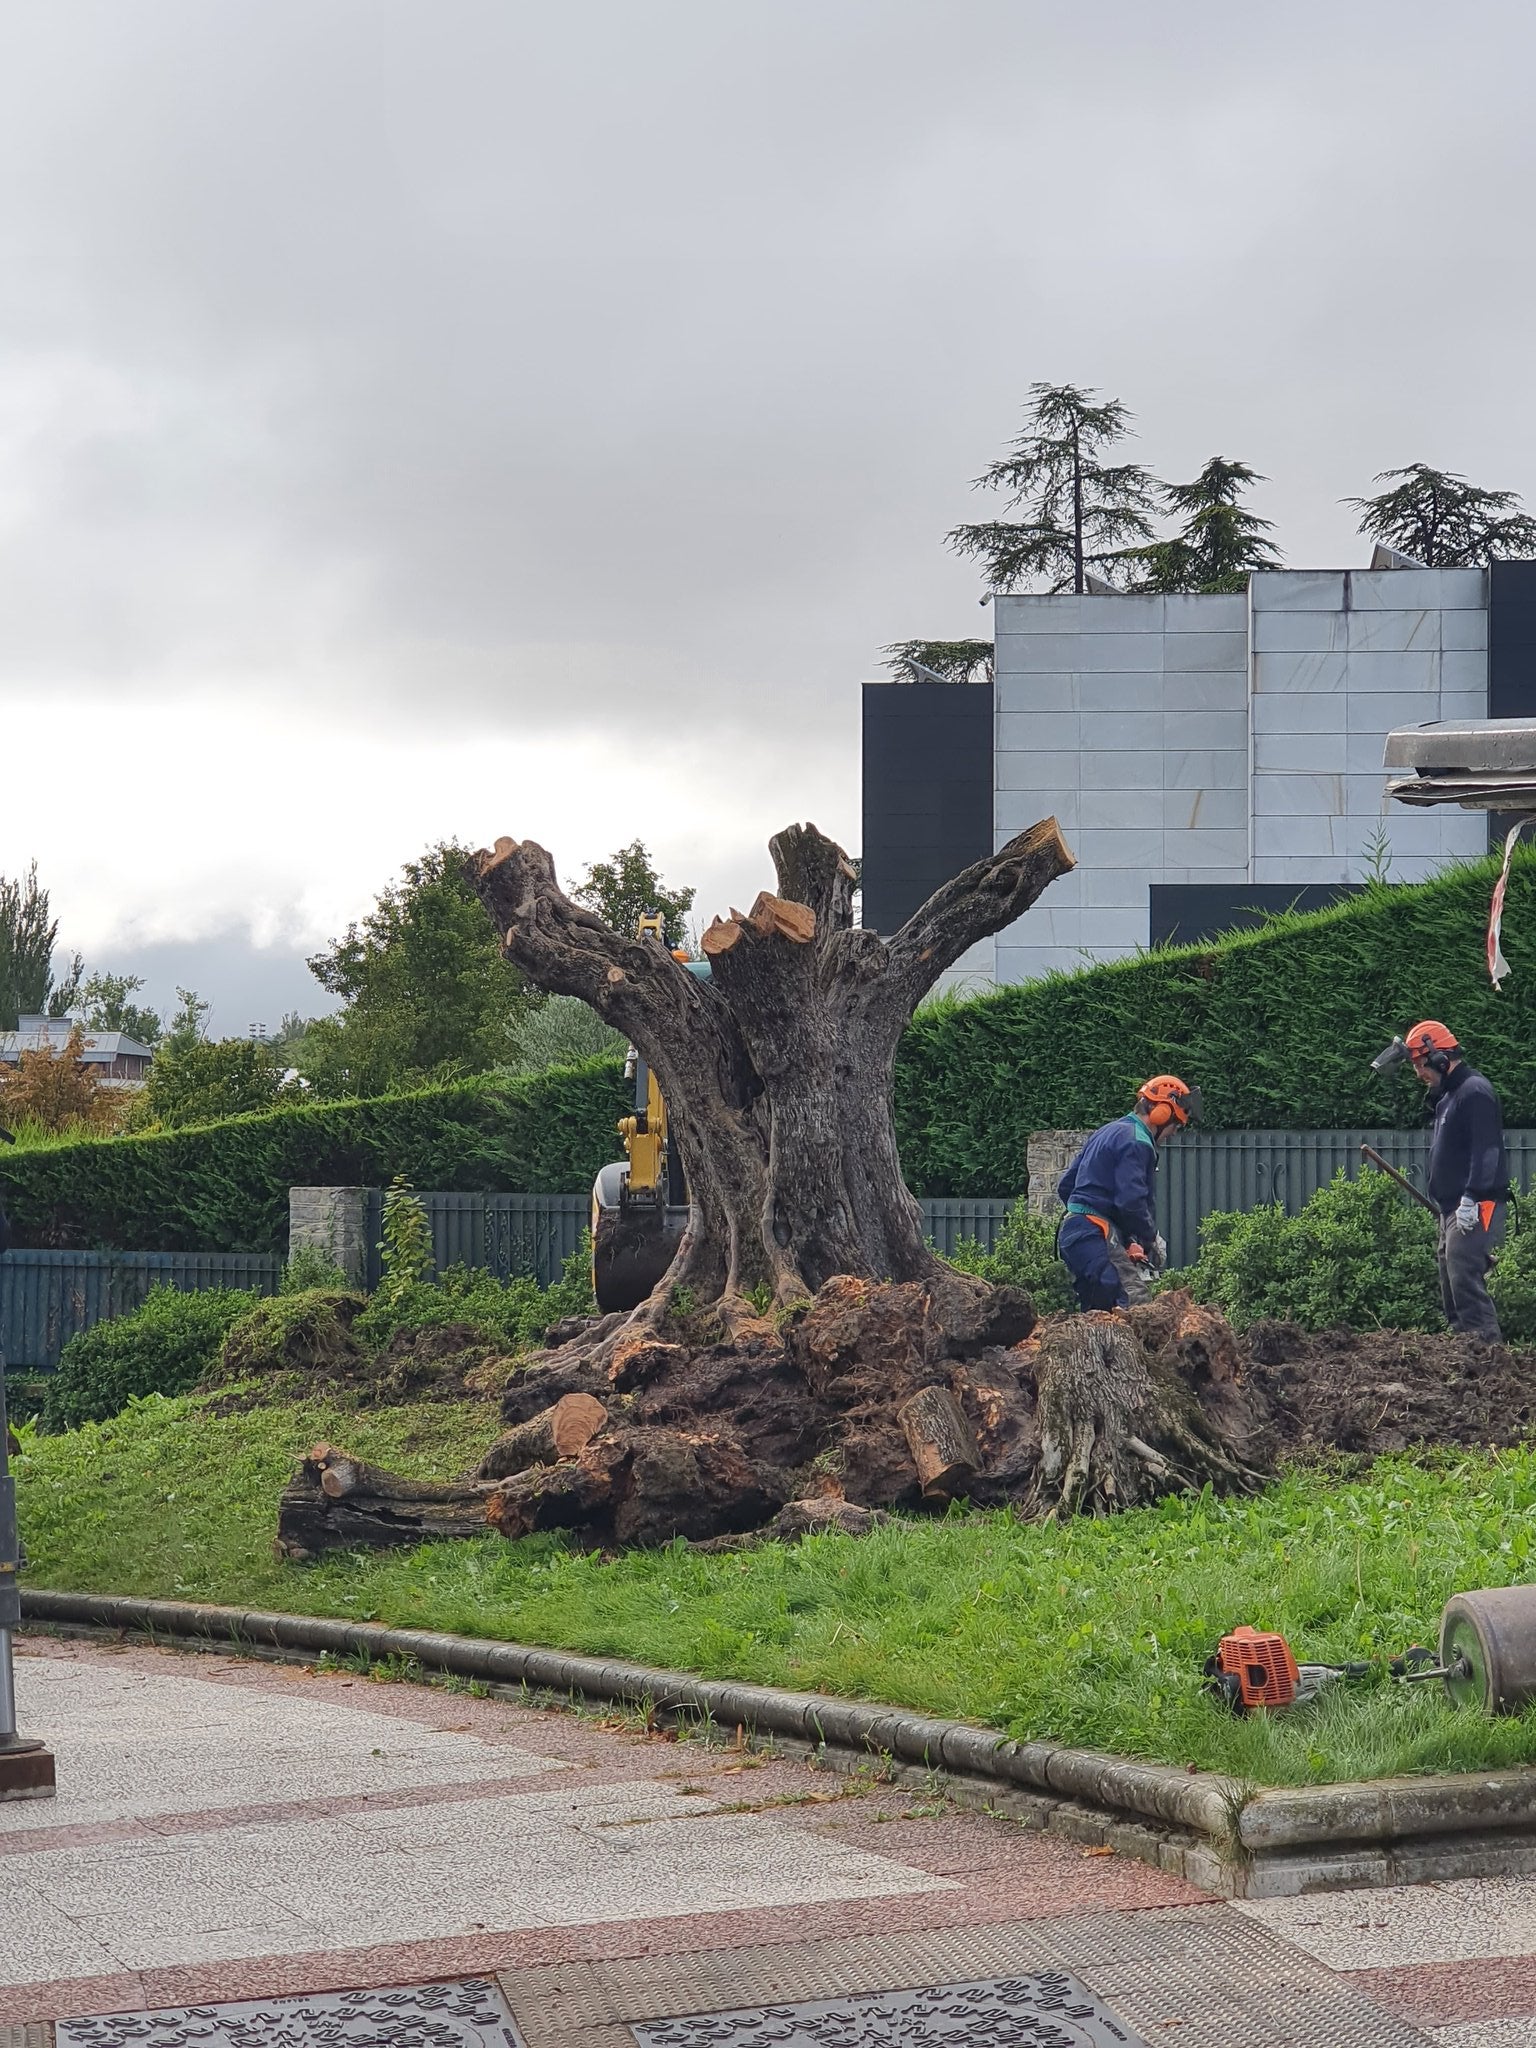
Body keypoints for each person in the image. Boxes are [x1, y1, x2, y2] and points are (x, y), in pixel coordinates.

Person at [1373, 1021, 1508, 1343]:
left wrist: (1472, 1197)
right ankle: (1464, 1357)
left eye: (1420, 1064)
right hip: (1452, 1206)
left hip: (1476, 1203)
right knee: (1451, 1288)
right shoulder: (1448, 1096)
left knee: (1465, 1281)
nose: (1419, 1073)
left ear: (1441, 1059)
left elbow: (1486, 1150)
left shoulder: (1474, 1092)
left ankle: (1489, 1360)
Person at [1056, 1076, 1198, 1310]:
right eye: (1176, 1125)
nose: (1173, 1133)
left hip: (1074, 1232)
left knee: (1100, 1314)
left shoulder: (1108, 1131)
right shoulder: (1138, 1142)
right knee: (1136, 1303)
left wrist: (1126, 1240)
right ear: (1161, 1113)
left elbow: (1066, 1186)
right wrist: (1150, 1238)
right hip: (1094, 1231)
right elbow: (1131, 1202)